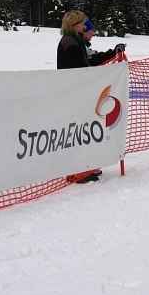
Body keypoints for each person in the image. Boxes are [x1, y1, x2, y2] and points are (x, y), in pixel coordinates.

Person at [57, 10, 104, 183]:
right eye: (82, 23)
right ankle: (76, 171)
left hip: (77, 91)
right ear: (74, 25)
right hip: (73, 92)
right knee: (76, 130)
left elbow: (88, 61)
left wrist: (111, 53)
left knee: (83, 128)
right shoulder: (70, 42)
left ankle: (85, 165)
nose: (85, 26)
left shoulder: (75, 40)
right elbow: (80, 68)